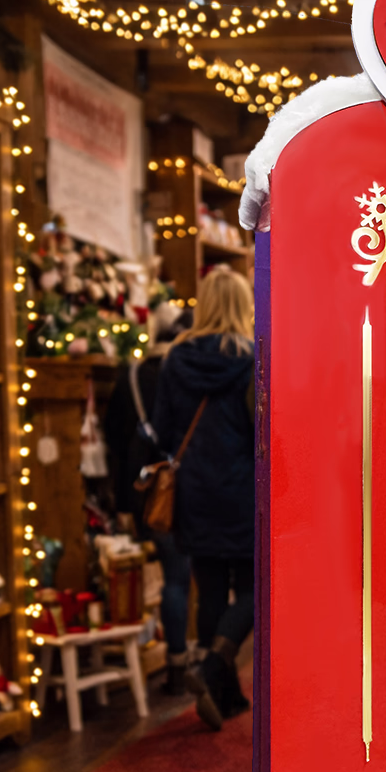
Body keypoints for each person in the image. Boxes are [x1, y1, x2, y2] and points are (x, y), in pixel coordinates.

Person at [153, 268, 255, 730]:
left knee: (210, 588)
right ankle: (214, 670)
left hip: (194, 490)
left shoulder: (175, 359)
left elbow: (162, 427)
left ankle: (225, 693)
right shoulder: (253, 358)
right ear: (242, 304)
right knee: (257, 588)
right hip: (243, 489)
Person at [105, 303, 193, 695]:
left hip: (146, 492)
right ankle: (192, 662)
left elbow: (115, 439)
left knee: (166, 577)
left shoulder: (132, 376)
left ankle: (169, 655)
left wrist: (124, 500)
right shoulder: (185, 372)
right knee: (185, 578)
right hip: (187, 487)